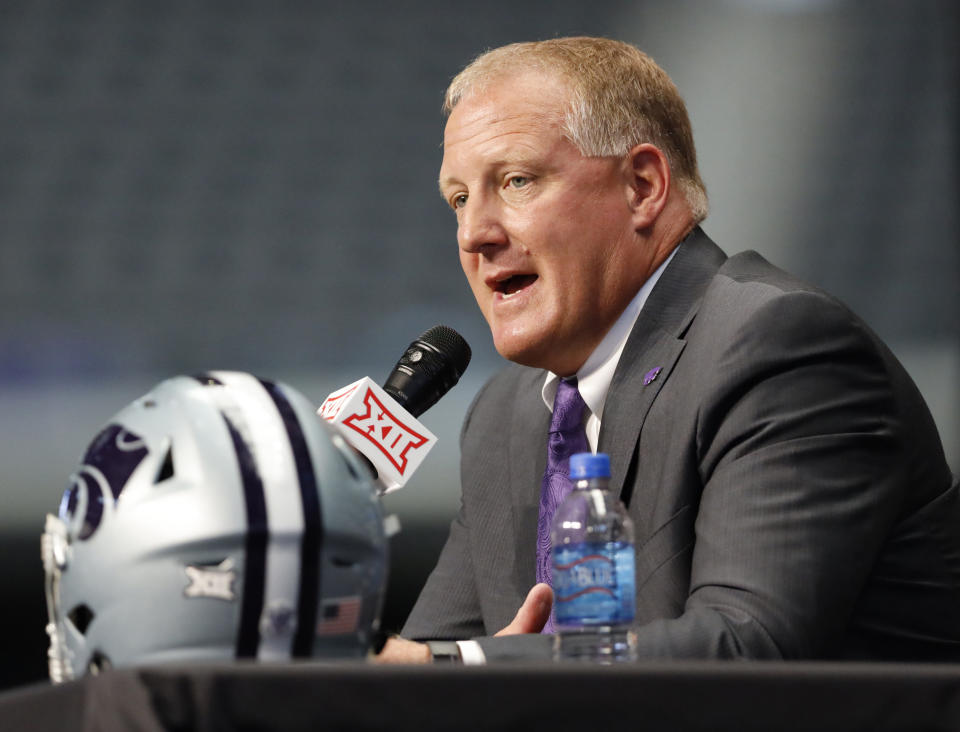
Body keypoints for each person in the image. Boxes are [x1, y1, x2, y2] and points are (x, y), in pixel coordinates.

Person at [377, 36, 960, 664]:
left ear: (643, 185)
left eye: (517, 181)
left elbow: (746, 646)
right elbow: (422, 660)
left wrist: (472, 669)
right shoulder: (504, 414)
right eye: (459, 199)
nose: (474, 234)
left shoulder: (778, 347)